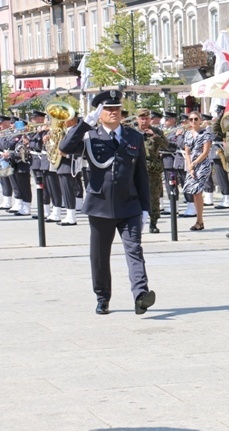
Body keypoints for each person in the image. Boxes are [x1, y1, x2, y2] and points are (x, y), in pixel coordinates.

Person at [59, 90, 155, 315]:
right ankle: (102, 297)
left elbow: (141, 175)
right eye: (108, 109)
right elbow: (64, 147)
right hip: (100, 205)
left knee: (134, 250)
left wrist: (144, 208)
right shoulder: (89, 136)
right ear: (99, 113)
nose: (113, 113)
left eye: (117, 109)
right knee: (100, 255)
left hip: (129, 204)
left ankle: (141, 295)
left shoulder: (134, 137)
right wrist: (84, 124)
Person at [136, 108, 169, 233]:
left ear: (150, 119)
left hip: (152, 169)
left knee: (154, 197)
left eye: (146, 118)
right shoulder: (132, 132)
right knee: (135, 196)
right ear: (137, 119)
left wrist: (154, 137)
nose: (144, 121)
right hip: (136, 168)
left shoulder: (156, 131)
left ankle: (153, 223)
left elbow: (166, 144)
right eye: (142, 118)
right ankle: (136, 222)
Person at [183, 111, 212, 231]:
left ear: (200, 120)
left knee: (198, 191)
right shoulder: (188, 134)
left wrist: (194, 164)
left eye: (196, 119)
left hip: (202, 164)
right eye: (191, 119)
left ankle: (199, 221)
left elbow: (205, 152)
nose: (193, 121)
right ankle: (199, 220)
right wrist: (190, 166)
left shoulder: (206, 134)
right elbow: (187, 152)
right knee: (194, 193)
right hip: (191, 165)